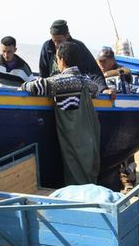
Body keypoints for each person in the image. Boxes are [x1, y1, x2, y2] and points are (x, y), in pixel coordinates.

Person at [22, 42, 100, 185]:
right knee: (88, 175)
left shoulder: (59, 82)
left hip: (73, 142)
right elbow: (97, 90)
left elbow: (32, 86)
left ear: (62, 60)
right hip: (90, 140)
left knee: (76, 175)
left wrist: (23, 85)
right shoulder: (88, 83)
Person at [96, 47, 135, 188]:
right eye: (99, 61)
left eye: (104, 61)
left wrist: (105, 74)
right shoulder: (97, 72)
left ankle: (130, 179)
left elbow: (125, 72)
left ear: (112, 60)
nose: (101, 64)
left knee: (127, 149)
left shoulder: (122, 71)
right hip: (108, 116)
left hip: (123, 115)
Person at [39, 19, 108, 93]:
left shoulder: (78, 47)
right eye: (54, 41)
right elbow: (43, 74)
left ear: (67, 36)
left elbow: (94, 71)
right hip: (53, 89)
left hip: (75, 88)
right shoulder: (47, 47)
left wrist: (103, 89)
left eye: (59, 41)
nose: (56, 45)